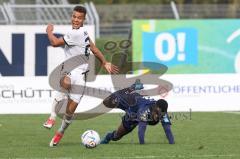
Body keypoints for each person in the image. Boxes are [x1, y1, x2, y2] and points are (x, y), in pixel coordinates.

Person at [42, 6, 118, 147]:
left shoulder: (81, 32)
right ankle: (52, 117)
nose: (76, 19)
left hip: (81, 76)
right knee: (66, 83)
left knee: (70, 111)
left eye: (79, 18)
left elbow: (55, 42)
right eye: (74, 16)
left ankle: (60, 132)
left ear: (83, 19)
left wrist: (49, 32)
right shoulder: (75, 32)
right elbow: (56, 43)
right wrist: (104, 62)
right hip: (69, 70)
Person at [100, 80, 175, 144]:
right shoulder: (145, 111)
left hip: (137, 110)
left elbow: (167, 129)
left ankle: (130, 90)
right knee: (116, 136)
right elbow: (141, 130)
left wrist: (172, 143)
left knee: (117, 137)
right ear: (155, 108)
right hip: (131, 109)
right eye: (157, 114)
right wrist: (142, 145)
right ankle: (108, 136)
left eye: (160, 115)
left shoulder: (163, 112)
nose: (158, 117)